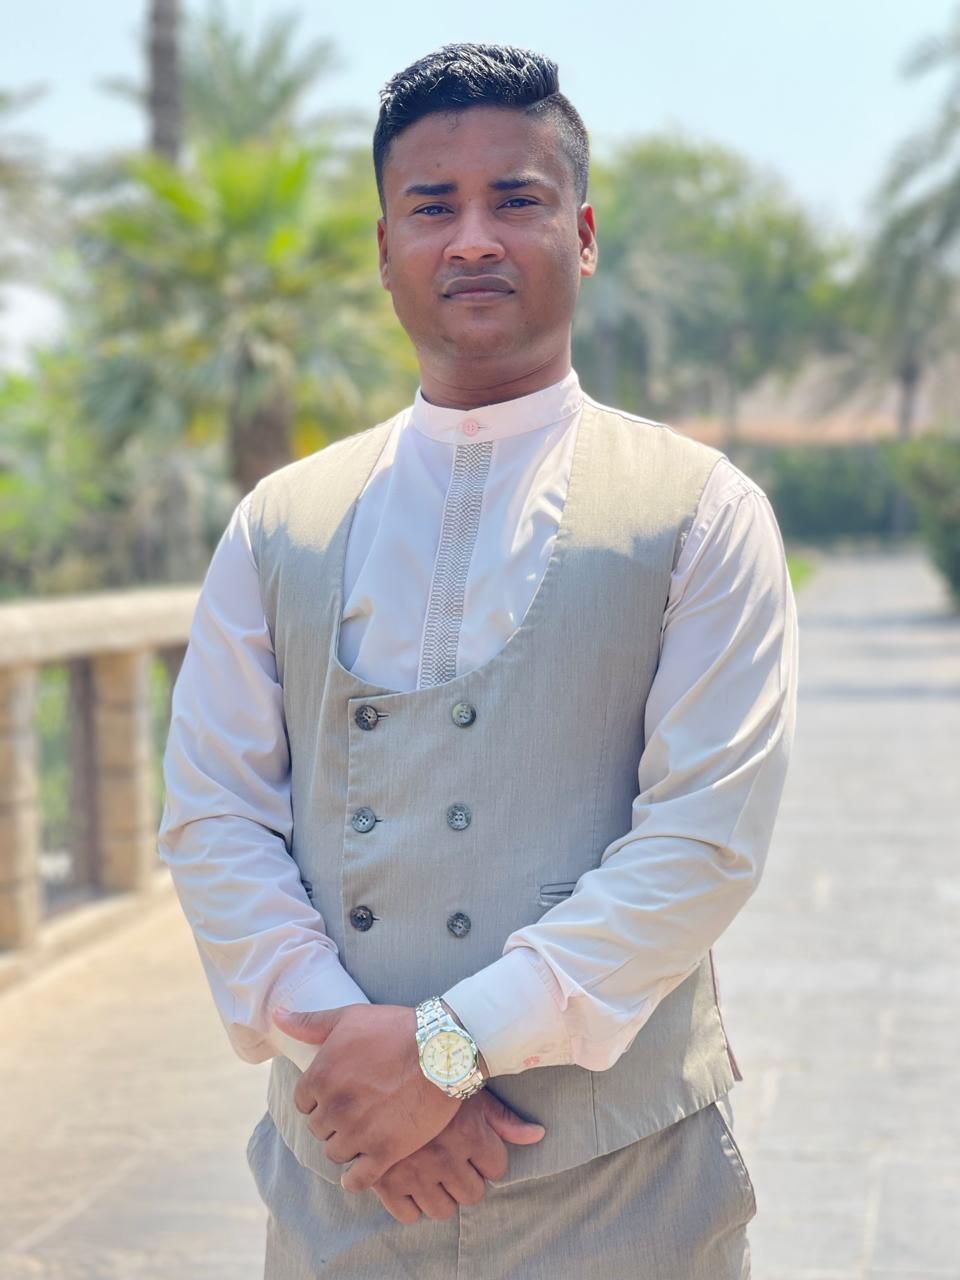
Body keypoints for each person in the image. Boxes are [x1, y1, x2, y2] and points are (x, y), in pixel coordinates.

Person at [158, 41, 798, 1280]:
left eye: (516, 199)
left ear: (584, 232)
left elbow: (704, 838)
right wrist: (353, 1058)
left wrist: (445, 1051)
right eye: (431, 206)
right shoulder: (278, 524)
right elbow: (214, 816)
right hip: (345, 1187)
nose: (473, 240)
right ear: (382, 246)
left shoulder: (702, 513)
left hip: (624, 1193)